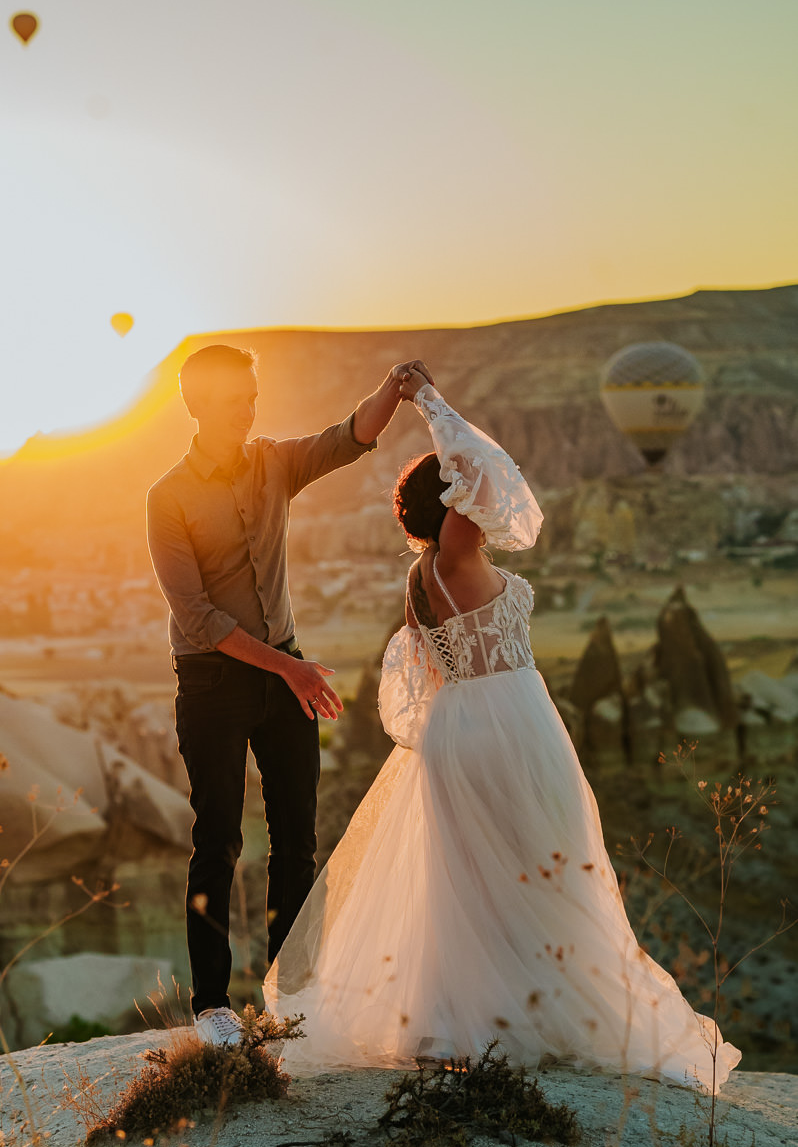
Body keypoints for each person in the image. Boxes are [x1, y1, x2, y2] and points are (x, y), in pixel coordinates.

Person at [262, 366, 741, 1094]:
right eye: (463, 496)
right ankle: (514, 1018)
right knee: (541, 864)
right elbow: (481, 468)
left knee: (479, 880)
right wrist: (428, 404)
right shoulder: (453, 555)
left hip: (472, 726)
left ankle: (474, 1019)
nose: (484, 501)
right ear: (450, 504)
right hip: (505, 723)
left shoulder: (430, 571)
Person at [147, 344, 430, 1046]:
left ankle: (290, 995)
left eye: (252, 392)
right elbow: (199, 619)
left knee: (297, 843)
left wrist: (392, 387)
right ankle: (212, 1005)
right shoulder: (168, 497)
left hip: (284, 677)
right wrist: (289, 668)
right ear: (200, 405)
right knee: (217, 841)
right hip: (215, 682)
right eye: (239, 395)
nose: (250, 405)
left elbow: (348, 437)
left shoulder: (273, 461)